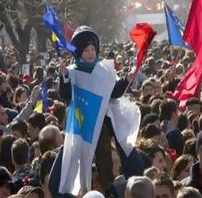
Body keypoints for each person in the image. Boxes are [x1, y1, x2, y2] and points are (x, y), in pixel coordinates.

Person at [57, 26, 143, 195]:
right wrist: (64, 77)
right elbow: (65, 95)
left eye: (93, 49)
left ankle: (120, 187)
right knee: (90, 162)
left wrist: (127, 79)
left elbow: (115, 91)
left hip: (105, 123)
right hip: (84, 127)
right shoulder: (72, 72)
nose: (90, 53)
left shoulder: (103, 70)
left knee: (116, 156)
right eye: (86, 50)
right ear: (78, 52)